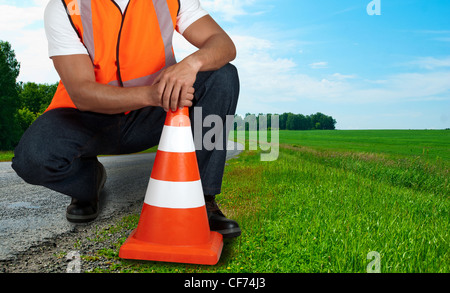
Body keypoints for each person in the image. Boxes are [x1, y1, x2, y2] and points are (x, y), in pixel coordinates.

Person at [11, 0, 241, 238]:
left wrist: (191, 64)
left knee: (222, 76)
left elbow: (223, 44)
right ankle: (88, 182)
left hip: (155, 113)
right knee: (32, 158)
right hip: (87, 116)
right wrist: (152, 95)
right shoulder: (64, 6)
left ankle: (202, 200)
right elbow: (81, 93)